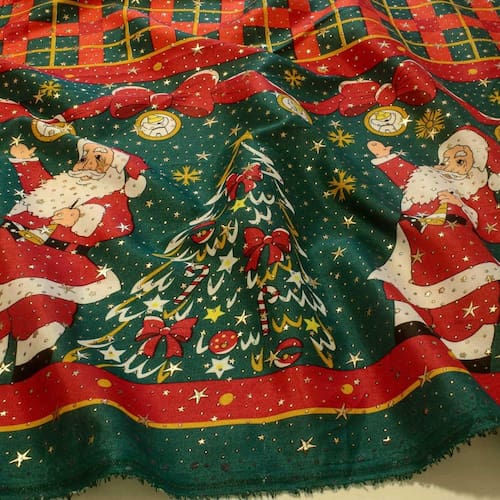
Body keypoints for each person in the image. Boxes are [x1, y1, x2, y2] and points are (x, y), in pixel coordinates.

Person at [0, 138, 148, 381]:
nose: (88, 164)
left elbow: (120, 223)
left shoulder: (110, 197)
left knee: (43, 308)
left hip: (57, 258)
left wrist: (80, 216)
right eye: (84, 158)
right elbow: (39, 187)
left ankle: (33, 366)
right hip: (10, 243)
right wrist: (26, 162)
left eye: (98, 159)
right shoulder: (59, 186)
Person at [368, 127, 500, 372]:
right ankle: (417, 355)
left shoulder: (475, 188)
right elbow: (407, 174)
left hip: (467, 261)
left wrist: (461, 205)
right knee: (417, 302)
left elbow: (493, 229)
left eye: (459, 160)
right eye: (446, 158)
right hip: (416, 256)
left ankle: (473, 361)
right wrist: (387, 157)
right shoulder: (425, 177)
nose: (448, 165)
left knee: (472, 305)